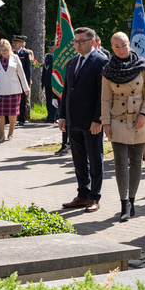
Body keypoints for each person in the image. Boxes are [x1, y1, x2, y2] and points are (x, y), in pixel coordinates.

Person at [100, 32, 145, 222]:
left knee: (136, 161)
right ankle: (124, 202)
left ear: (129, 43)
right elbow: (106, 99)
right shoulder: (108, 70)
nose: (122, 50)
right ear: (111, 48)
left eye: (124, 45)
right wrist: (105, 122)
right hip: (118, 119)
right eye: (117, 47)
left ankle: (132, 200)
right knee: (120, 162)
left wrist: (144, 114)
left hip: (139, 118)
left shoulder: (143, 65)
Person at [59, 27, 109, 212]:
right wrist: (63, 116)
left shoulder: (101, 61)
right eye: (76, 41)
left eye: (81, 41)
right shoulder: (72, 62)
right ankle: (82, 194)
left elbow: (102, 94)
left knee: (95, 160)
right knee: (79, 160)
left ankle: (94, 197)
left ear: (92, 41)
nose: (78, 45)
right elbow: (66, 91)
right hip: (73, 120)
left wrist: (98, 119)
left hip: (91, 121)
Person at [0, 40, 30, 142]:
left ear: (9, 49)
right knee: (0, 113)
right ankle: (1, 134)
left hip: (14, 89)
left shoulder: (15, 58)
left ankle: (11, 131)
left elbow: (21, 73)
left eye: (5, 50)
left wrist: (26, 88)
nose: (4, 52)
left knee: (12, 112)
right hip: (0, 90)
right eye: (2, 50)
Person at [12, 35, 33, 126]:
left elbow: (28, 70)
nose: (14, 44)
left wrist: (27, 84)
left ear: (21, 43)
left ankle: (22, 118)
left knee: (23, 101)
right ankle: (11, 118)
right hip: (13, 81)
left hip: (22, 81)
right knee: (13, 100)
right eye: (13, 42)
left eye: (16, 43)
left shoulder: (26, 54)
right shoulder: (11, 54)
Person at [42, 44, 58, 122]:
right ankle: (49, 115)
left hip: (55, 81)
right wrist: (43, 82)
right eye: (50, 48)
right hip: (48, 81)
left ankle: (53, 117)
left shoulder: (58, 57)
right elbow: (44, 71)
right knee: (48, 100)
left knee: (54, 99)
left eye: (52, 48)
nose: (51, 49)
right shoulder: (47, 56)